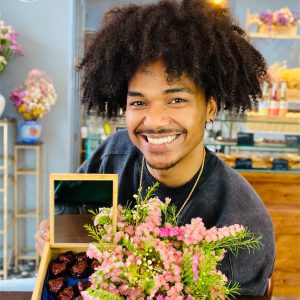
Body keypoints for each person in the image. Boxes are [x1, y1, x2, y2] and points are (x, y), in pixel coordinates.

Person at [35, 0, 275, 296]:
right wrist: (53, 236)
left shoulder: (241, 221)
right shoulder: (112, 156)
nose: (155, 121)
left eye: (176, 100)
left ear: (210, 108)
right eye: (138, 102)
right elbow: (68, 222)